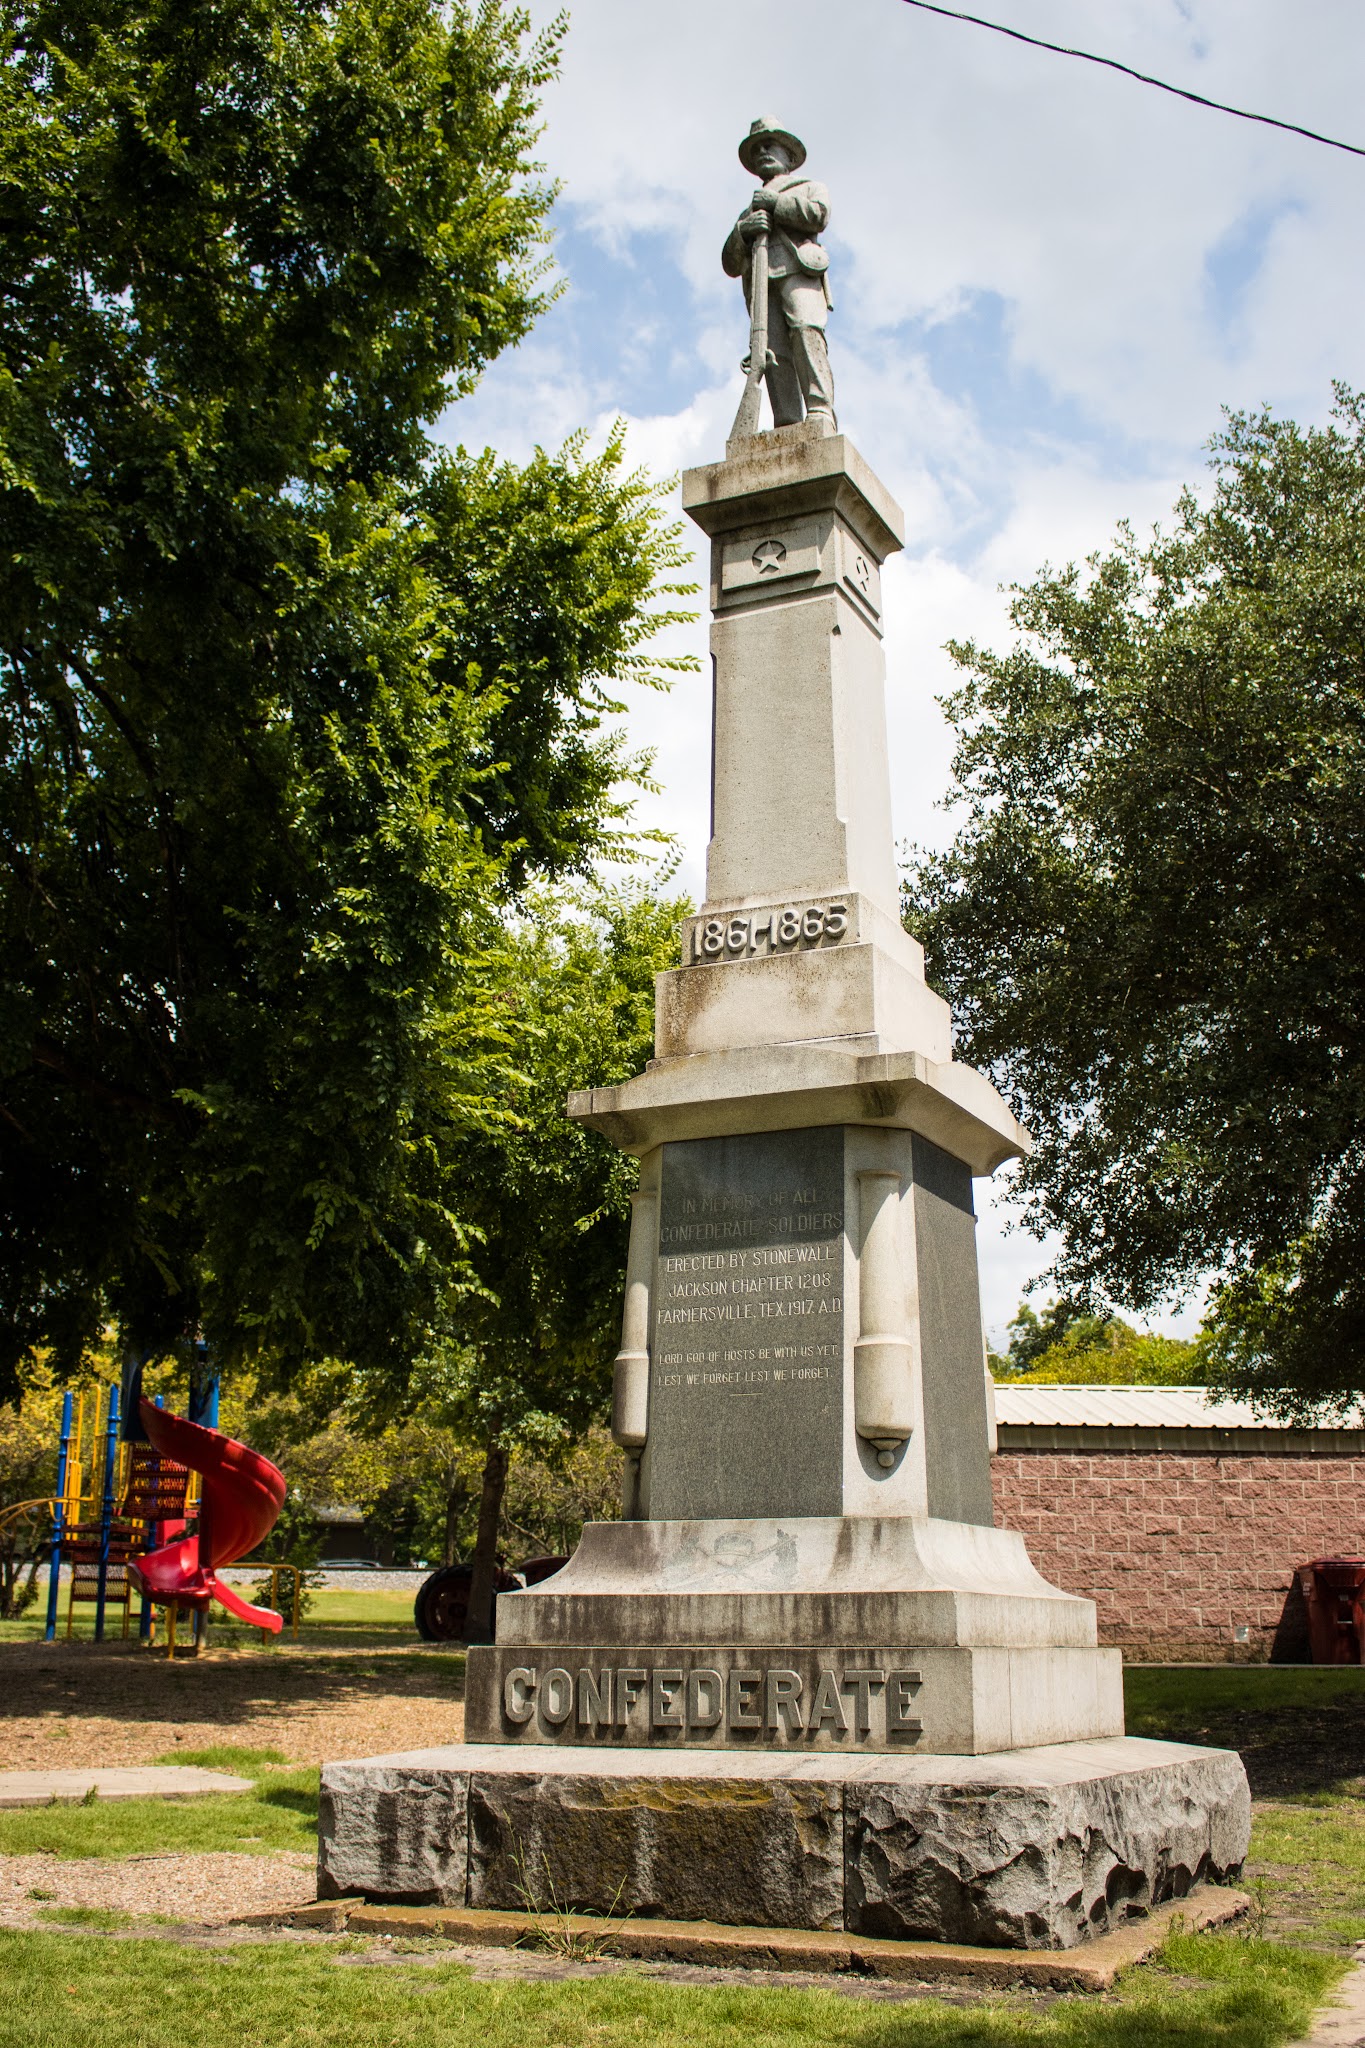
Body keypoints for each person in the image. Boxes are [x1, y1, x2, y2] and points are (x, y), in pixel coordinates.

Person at [723, 117, 836, 431]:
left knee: (805, 330)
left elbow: (819, 215)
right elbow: (730, 263)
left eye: (769, 145)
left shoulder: (809, 187)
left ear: (789, 156)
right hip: (761, 283)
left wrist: (777, 203)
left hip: (798, 269)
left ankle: (820, 410)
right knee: (772, 352)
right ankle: (786, 420)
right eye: (756, 148)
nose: (762, 151)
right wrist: (743, 232)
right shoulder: (749, 211)